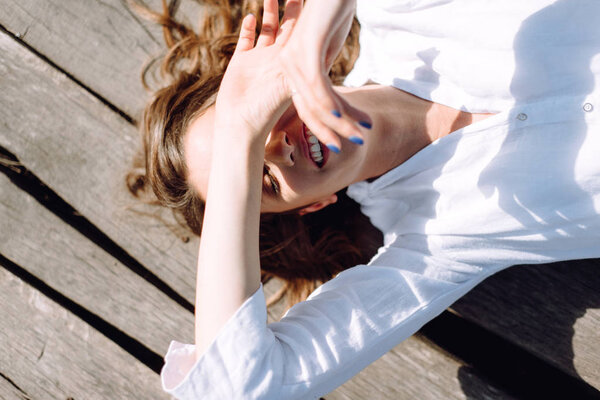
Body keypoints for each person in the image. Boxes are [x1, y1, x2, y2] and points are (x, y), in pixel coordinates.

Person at [129, 0, 600, 398]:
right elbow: (239, 387)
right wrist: (236, 134)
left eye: (265, 121)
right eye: (261, 178)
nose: (280, 148)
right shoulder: (432, 246)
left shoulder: (399, 15)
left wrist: (315, 23)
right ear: (310, 207)